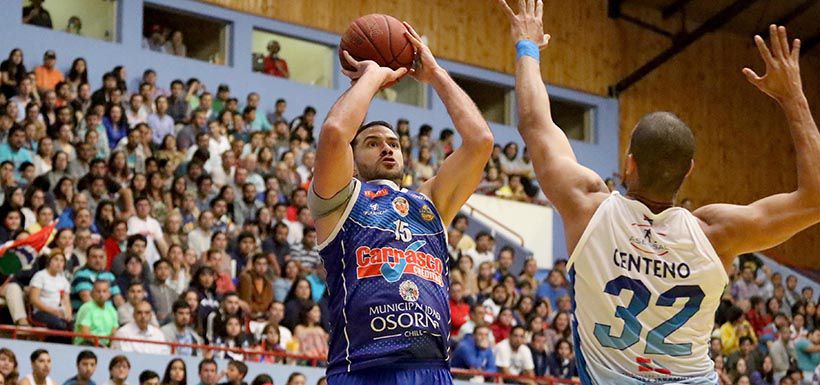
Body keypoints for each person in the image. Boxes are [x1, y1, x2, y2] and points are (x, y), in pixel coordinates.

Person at [498, 1, 820, 382]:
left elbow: (535, 124)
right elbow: (814, 200)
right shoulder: (716, 234)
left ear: (629, 162)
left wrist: (527, 46)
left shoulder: (588, 207)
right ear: (689, 172)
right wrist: (793, 96)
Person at [311, 21, 492, 384]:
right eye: (373, 142)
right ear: (353, 155)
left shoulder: (430, 202)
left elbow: (479, 141)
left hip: (431, 369)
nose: (387, 147)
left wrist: (436, 74)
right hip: (362, 368)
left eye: (393, 142)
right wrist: (372, 77)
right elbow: (334, 133)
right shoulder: (342, 198)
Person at [28, 249, 73, 330]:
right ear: (49, 261)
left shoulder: (63, 280)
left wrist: (68, 314)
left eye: (62, 261)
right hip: (41, 312)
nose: (59, 263)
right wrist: (51, 311)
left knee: (72, 325)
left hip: (58, 312)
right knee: (59, 325)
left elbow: (66, 300)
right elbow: (34, 299)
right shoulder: (40, 276)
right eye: (56, 259)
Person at [73, 279, 118, 346]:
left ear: (109, 294)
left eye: (104, 291)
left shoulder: (112, 310)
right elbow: (85, 333)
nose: (101, 294)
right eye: (98, 291)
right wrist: (100, 346)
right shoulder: (87, 308)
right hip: (86, 345)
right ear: (92, 294)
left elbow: (114, 333)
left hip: (105, 347)